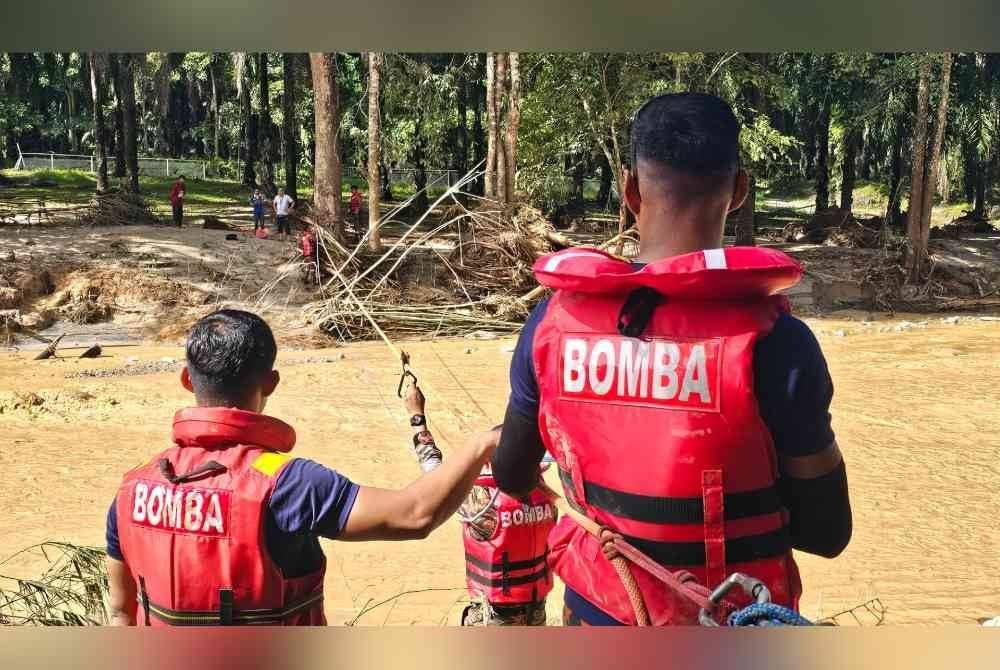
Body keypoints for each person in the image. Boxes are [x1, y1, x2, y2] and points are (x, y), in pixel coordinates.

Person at [490, 92, 852, 626]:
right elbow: (826, 534)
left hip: (598, 618)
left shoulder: (550, 326)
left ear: (629, 189)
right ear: (739, 192)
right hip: (729, 626)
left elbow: (512, 474)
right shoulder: (779, 344)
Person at [105, 309, 498, 626]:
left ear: (187, 380)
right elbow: (415, 515)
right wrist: (484, 442)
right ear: (271, 383)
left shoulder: (132, 486)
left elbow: (121, 613)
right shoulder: (287, 483)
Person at [400, 381, 554, 627]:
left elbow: (431, 468)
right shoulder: (546, 492)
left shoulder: (479, 499)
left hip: (493, 616)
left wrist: (416, 415)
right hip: (537, 612)